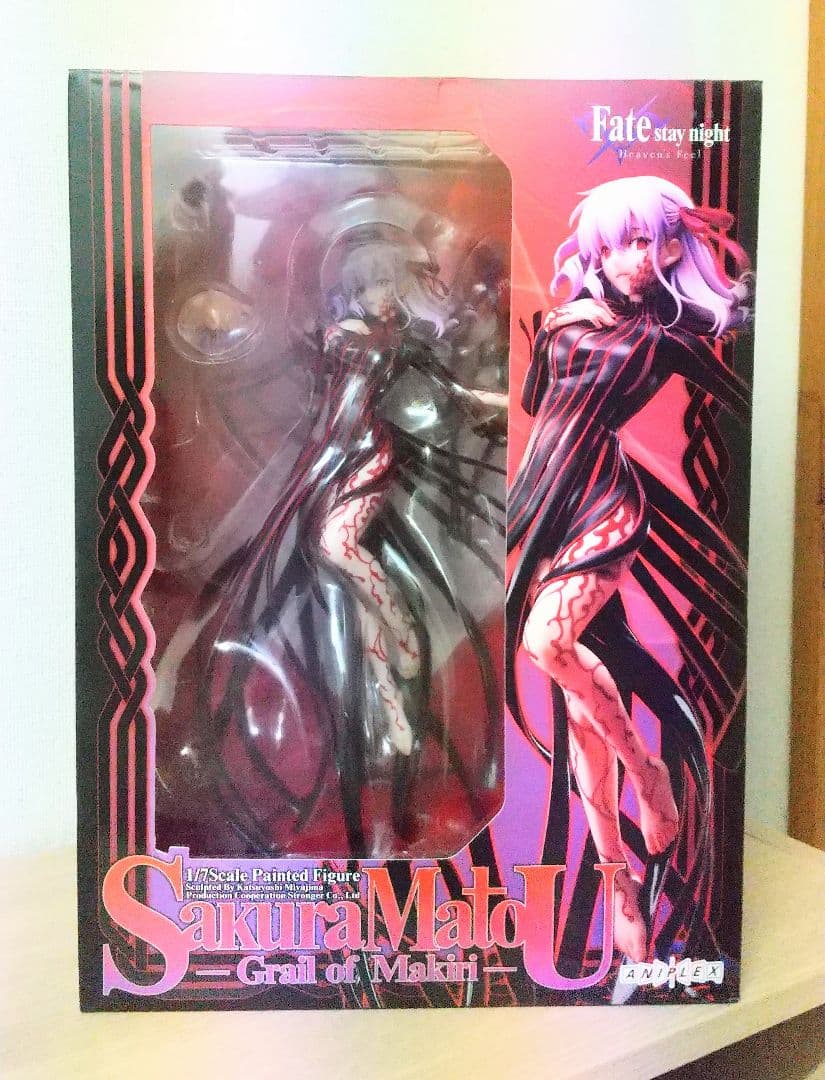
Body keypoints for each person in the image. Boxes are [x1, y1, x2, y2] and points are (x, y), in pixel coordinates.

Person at [156, 228, 507, 857]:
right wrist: (222, 327)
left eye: (387, 281)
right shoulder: (340, 337)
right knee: (305, 573)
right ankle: (394, 719)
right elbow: (290, 366)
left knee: (336, 546)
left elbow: (448, 396)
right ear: (350, 291)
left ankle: (401, 630)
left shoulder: (402, 344)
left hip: (371, 456)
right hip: (324, 461)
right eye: (367, 284)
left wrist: (500, 400)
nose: (379, 294)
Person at [507, 175, 751, 963]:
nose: (638, 256)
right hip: (542, 504)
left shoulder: (665, 337)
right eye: (622, 242)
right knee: (579, 714)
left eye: (653, 241)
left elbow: (745, 399)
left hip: (606, 504)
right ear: (597, 249)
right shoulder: (556, 323)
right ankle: (618, 887)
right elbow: (537, 406)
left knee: (547, 644)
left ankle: (648, 773)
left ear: (673, 248)